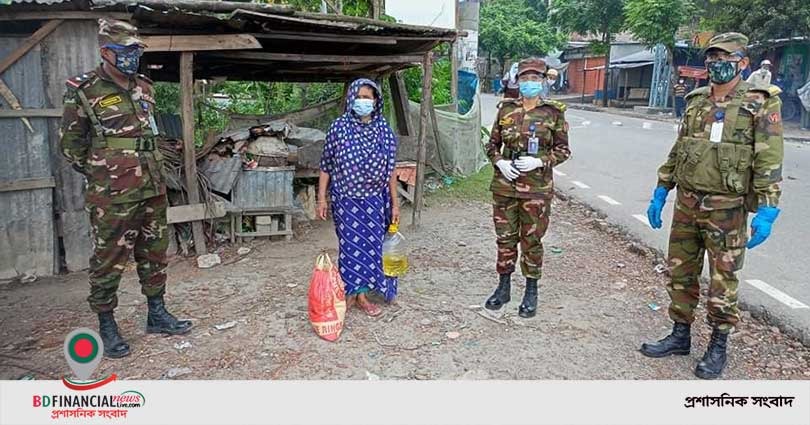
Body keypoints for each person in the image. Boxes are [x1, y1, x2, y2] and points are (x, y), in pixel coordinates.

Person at [641, 33, 784, 379]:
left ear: (743, 62)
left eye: (726, 58)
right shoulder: (696, 100)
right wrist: (662, 188)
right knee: (680, 271)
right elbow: (680, 148)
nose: (717, 64)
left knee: (723, 279)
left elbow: (769, 158)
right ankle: (680, 334)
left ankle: (718, 344)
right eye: (712, 58)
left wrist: (767, 209)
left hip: (728, 208)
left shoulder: (759, 102)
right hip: (687, 203)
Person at [60, 19, 192, 359]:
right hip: (112, 193)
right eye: (125, 51)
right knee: (109, 258)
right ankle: (106, 323)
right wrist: (103, 171)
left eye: (137, 51)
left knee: (155, 251)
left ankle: (157, 313)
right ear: (106, 52)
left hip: (152, 185)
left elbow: (150, 134)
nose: (132, 57)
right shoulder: (84, 89)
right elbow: (71, 146)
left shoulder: (145, 87)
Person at [483, 58, 571, 318]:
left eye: (535, 79)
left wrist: (540, 161)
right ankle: (504, 287)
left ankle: (531, 291)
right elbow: (490, 145)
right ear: (517, 81)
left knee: (531, 240)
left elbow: (563, 150)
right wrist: (500, 162)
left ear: (543, 81)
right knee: (505, 239)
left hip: (536, 188)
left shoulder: (553, 113)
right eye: (524, 79)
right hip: (505, 186)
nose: (529, 84)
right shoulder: (506, 110)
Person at [317, 78, 400, 317]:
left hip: (375, 199)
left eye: (368, 97)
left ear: (376, 101)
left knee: (372, 246)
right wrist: (321, 198)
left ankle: (363, 294)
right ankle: (351, 292)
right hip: (345, 199)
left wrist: (395, 204)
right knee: (350, 246)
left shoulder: (384, 130)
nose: (363, 102)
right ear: (351, 98)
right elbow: (326, 166)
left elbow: (391, 170)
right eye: (359, 97)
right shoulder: (339, 127)